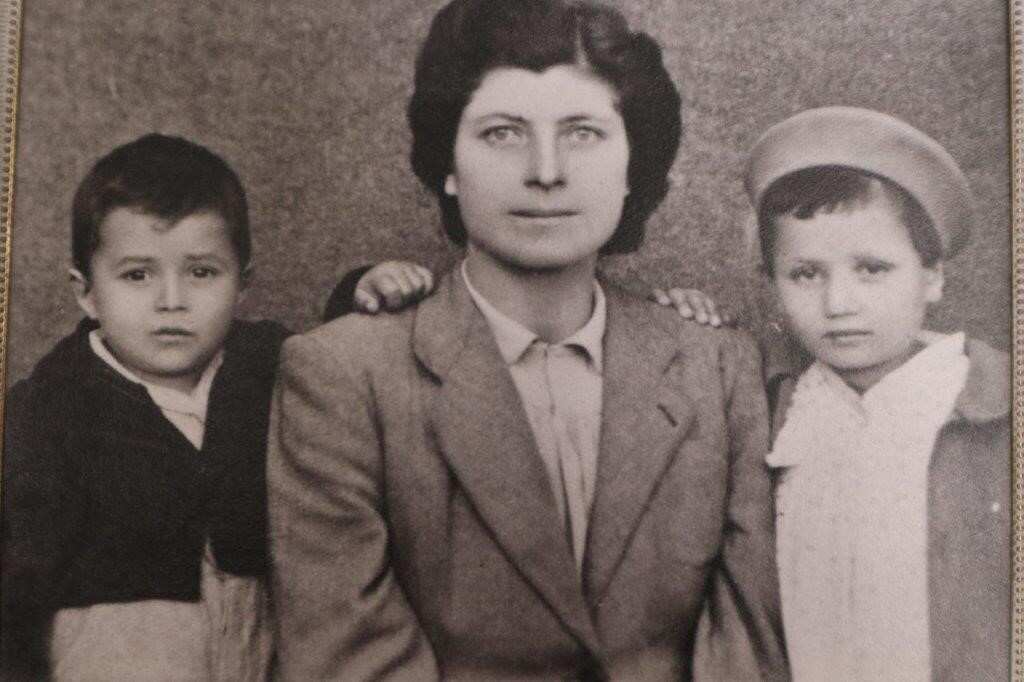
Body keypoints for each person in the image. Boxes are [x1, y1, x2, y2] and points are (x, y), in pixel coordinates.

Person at [266, 0, 787, 679]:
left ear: (635, 165)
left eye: (583, 133)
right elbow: (349, 659)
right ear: (446, 165)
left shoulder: (718, 369)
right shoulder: (341, 377)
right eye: (504, 133)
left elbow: (745, 645)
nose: (547, 171)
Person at [0, 133, 429, 681]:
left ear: (242, 283)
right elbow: (16, 590)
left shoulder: (264, 362)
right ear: (86, 291)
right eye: (138, 275)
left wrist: (363, 292)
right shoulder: (47, 408)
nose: (172, 300)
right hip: (121, 650)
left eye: (202, 272)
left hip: (259, 639)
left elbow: (328, 365)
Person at [665, 106, 1009, 680]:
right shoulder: (768, 402)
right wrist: (679, 321)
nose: (838, 304)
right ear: (771, 282)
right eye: (805, 274)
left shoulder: (991, 408)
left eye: (872, 269)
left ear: (933, 275)